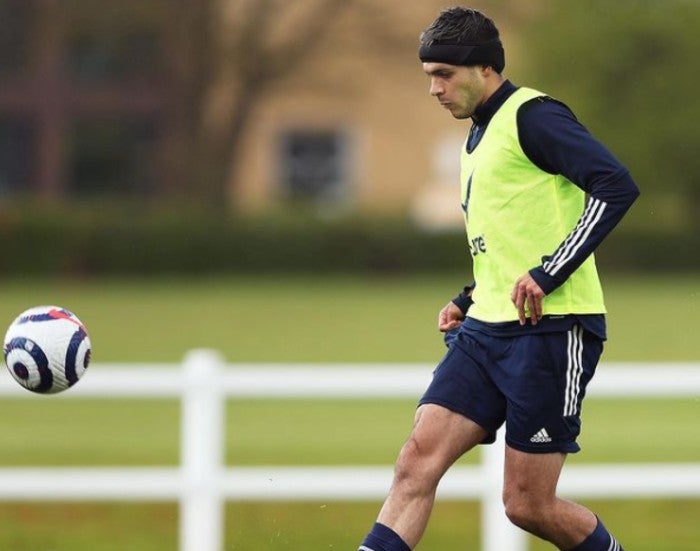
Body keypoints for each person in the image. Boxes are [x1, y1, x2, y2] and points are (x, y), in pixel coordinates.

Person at [358, 6, 639, 551]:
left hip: (551, 330)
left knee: (527, 506)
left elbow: (615, 185)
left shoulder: (534, 116)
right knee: (416, 464)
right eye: (428, 77)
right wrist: (471, 296)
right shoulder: (477, 136)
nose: (433, 89)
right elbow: (510, 237)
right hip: (486, 329)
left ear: (484, 68)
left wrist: (550, 273)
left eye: (444, 75)